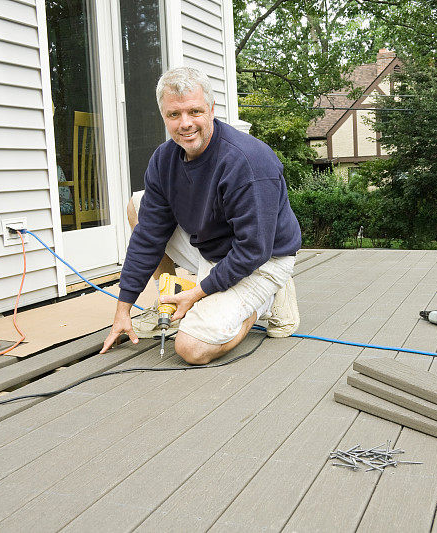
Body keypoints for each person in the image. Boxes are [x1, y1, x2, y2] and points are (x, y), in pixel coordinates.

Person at [99, 66, 301, 365]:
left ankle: (265, 301)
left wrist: (197, 294)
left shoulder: (247, 162)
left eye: (194, 111)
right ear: (163, 115)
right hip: (213, 247)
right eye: (174, 115)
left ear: (211, 110)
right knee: (138, 206)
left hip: (264, 257)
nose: (185, 124)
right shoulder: (164, 160)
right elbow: (148, 236)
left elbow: (253, 248)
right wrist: (122, 309)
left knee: (191, 348)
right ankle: (169, 304)